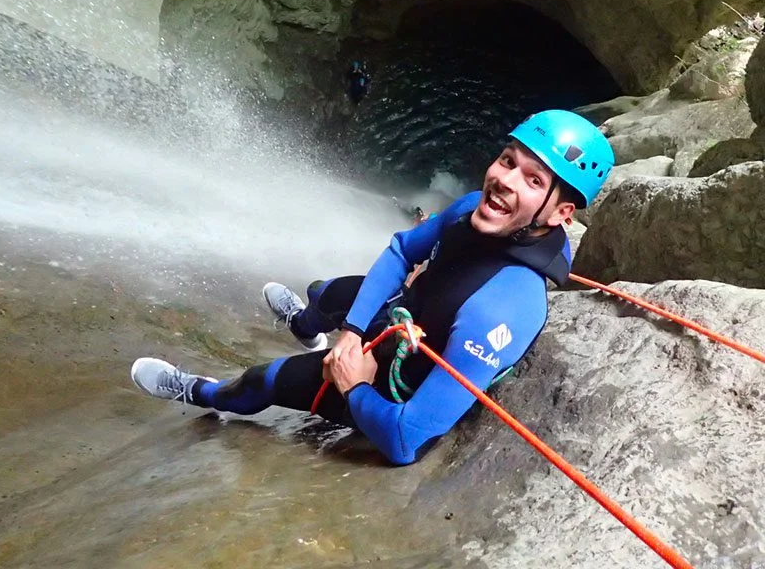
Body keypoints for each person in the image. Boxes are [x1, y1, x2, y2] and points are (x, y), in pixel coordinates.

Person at [131, 110, 614, 465]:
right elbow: (403, 251)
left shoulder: (505, 306)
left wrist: (356, 383)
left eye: (533, 180)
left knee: (263, 379)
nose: (504, 180)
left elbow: (408, 442)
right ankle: (308, 325)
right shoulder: (470, 209)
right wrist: (353, 331)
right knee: (326, 292)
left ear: (559, 214)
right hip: (401, 318)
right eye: (507, 160)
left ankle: (200, 392)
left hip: (391, 381)